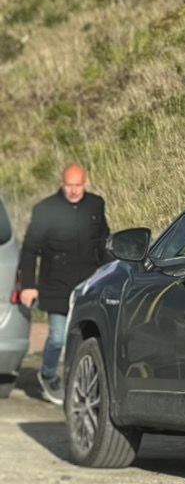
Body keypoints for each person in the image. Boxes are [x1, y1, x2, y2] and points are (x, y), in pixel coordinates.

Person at [18, 164, 109, 406]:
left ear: (85, 182)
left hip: (88, 285)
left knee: (82, 337)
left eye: (78, 185)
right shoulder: (45, 209)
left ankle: (78, 381)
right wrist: (28, 285)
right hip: (55, 284)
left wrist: (111, 273)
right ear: (62, 183)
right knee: (58, 337)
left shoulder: (95, 205)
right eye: (69, 185)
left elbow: (103, 243)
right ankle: (48, 375)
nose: (73, 190)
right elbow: (29, 250)